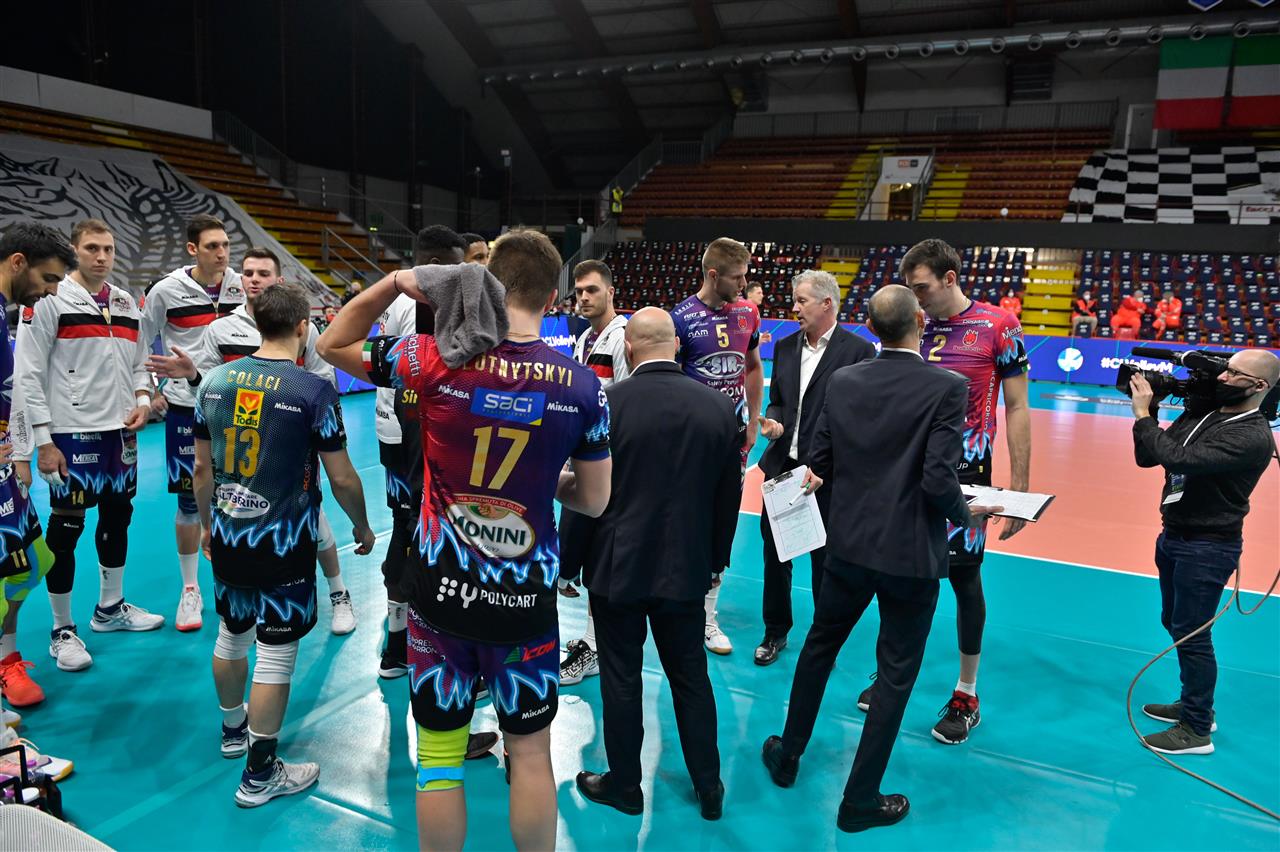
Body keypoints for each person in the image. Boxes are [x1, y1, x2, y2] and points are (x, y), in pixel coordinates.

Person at [316, 229, 612, 852]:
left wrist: (399, 281)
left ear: (484, 286)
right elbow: (594, 499)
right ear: (553, 298)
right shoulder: (583, 387)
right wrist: (542, 482)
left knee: (440, 759)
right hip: (524, 602)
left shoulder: (431, 359)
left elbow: (330, 342)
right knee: (530, 756)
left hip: (440, 596)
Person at [761, 285, 1002, 833]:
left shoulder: (844, 380)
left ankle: (788, 753)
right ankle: (860, 799)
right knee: (894, 675)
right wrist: (968, 513)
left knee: (819, 647)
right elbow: (938, 479)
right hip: (910, 555)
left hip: (847, 544)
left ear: (869, 327)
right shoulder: (948, 387)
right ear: (921, 320)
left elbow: (820, 459)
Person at [193, 282, 375, 807]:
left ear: (256, 321)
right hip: (284, 542)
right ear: (303, 327)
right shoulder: (312, 391)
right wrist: (362, 526)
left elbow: (201, 469)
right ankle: (260, 774)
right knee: (275, 654)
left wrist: (207, 526)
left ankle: (233, 731)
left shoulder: (214, 382)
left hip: (229, 533)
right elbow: (342, 477)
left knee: (231, 635)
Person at [861, 238, 1030, 746]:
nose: (915, 299)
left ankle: (966, 694)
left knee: (964, 580)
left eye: (922, 288)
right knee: (897, 576)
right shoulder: (910, 325)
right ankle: (890, 673)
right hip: (907, 474)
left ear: (950, 278)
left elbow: (1017, 407)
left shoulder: (999, 325)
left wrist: (1020, 486)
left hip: (967, 476)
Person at [575, 308, 738, 821]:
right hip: (686, 568)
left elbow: (585, 491)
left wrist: (569, 562)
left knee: (621, 678)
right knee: (690, 677)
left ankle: (625, 785)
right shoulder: (718, 407)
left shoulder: (608, 403)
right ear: (678, 346)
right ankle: (709, 785)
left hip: (617, 567)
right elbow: (728, 496)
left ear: (628, 348)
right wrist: (716, 559)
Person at [145, 247, 357, 635]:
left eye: (263, 273)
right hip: (236, 445)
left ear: (279, 280)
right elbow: (206, 391)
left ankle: (338, 592)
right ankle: (220, 599)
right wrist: (192, 376)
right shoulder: (220, 329)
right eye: (247, 272)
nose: (254, 279)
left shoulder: (303, 328)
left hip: (288, 444)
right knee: (238, 519)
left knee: (314, 518)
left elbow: (323, 381)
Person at [14, 219, 162, 676]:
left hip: (120, 432)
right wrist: (42, 441)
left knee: (119, 516)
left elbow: (139, 363)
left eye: (109, 249)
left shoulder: (124, 302)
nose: (102, 257)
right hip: (71, 434)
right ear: (75, 252)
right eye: (92, 248)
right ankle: (61, 630)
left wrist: (142, 400)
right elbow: (28, 373)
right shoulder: (49, 299)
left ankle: (110, 608)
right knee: (66, 529)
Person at [1129, 350, 1278, 755]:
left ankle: (1196, 729)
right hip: (1174, 534)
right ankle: (1193, 703)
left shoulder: (1252, 435)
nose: (1223, 377)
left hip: (1208, 546)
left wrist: (1143, 414)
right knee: (1175, 623)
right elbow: (1150, 456)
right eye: (1225, 369)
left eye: (1234, 373)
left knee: (1193, 634)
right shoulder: (1206, 413)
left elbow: (1180, 458)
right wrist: (1151, 410)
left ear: (1259, 386)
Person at [755, 270, 875, 665]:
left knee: (826, 562)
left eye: (801, 300)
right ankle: (775, 631)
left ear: (827, 304)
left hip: (827, 476)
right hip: (783, 471)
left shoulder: (859, 352)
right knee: (776, 556)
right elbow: (777, 400)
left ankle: (824, 641)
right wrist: (775, 423)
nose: (794, 307)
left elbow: (861, 418)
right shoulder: (786, 347)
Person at [139, 214, 246, 630]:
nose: (222, 254)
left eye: (225, 245)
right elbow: (139, 344)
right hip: (187, 408)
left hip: (240, 406)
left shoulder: (242, 284)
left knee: (241, 497)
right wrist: (147, 392)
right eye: (212, 246)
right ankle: (190, 590)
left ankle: (236, 582)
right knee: (189, 501)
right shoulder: (165, 290)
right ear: (192, 249)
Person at [373, 225, 466, 677]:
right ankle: (405, 642)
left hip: (403, 429)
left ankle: (404, 638)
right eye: (459, 266)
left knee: (412, 525)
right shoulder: (418, 305)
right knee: (416, 528)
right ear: (436, 266)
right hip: (412, 431)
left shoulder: (397, 299)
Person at [671, 237, 764, 655]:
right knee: (685, 522)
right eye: (737, 277)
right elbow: (670, 384)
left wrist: (753, 421)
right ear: (713, 275)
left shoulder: (748, 313)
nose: (744, 285)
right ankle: (679, 606)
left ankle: (709, 617)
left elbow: (754, 367)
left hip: (733, 442)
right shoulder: (680, 319)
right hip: (692, 444)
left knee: (722, 525)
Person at [0, 223, 75, 721]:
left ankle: (7, 659)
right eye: (48, 279)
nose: (51, 292)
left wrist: (19, 453)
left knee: (26, 564)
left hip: (6, 468)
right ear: (18, 262)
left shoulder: (5, 313)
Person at [559, 259, 631, 686]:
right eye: (579, 292)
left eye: (592, 290)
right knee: (590, 557)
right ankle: (593, 638)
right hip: (585, 464)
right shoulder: (585, 338)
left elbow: (624, 407)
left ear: (610, 292)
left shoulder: (622, 338)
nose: (583, 298)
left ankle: (597, 647)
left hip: (610, 469)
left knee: (604, 559)